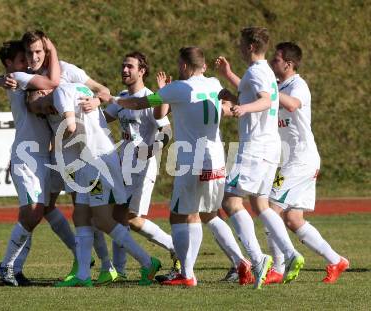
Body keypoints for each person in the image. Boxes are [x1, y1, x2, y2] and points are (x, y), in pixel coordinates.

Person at [97, 46, 253, 287]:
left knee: (178, 216)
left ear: (183, 65)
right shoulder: (212, 83)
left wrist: (113, 99)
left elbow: (141, 104)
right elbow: (233, 98)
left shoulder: (178, 88)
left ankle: (187, 273)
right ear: (203, 65)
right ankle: (240, 260)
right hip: (217, 160)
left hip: (191, 161)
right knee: (206, 215)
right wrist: (235, 98)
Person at [40, 82, 162, 287]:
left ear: (44, 91)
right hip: (92, 160)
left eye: (37, 100)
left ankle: (148, 262)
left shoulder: (60, 92)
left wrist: (55, 146)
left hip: (95, 161)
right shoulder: (79, 88)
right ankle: (83, 275)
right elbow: (101, 96)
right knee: (81, 214)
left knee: (103, 219)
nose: (42, 107)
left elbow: (70, 128)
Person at [20, 30, 115, 285]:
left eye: (39, 51)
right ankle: (82, 257)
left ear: (48, 50)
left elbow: (103, 91)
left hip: (80, 152)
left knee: (84, 210)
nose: (34, 56)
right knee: (49, 206)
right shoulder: (28, 79)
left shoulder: (66, 70)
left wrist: (97, 100)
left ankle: (104, 265)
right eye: (30, 52)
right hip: (56, 153)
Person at [215, 27, 304, 289]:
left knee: (230, 201)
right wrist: (232, 91)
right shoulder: (262, 71)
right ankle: (290, 254)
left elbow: (265, 101)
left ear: (251, 46)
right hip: (269, 146)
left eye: (242, 44)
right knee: (260, 205)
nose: (240, 48)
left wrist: (242, 108)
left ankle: (258, 258)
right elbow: (254, 95)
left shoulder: (256, 72)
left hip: (255, 147)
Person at [0, 39, 72, 286]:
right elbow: (53, 82)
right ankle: (6, 265)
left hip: (44, 155)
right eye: (23, 58)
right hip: (27, 156)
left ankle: (16, 267)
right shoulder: (18, 77)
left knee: (38, 211)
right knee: (32, 214)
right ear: (10, 64)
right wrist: (52, 49)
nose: (29, 62)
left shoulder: (20, 77)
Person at [266, 41, 349, 284]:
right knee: (293, 219)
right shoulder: (279, 86)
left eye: (276, 59)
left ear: (288, 64)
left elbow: (292, 104)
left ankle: (278, 268)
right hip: (289, 161)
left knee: (271, 207)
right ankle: (336, 260)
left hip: (300, 160)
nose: (273, 62)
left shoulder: (297, 85)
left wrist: (269, 89)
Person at [101, 51, 178, 281]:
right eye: (123, 66)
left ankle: (175, 247)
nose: (124, 70)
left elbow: (166, 131)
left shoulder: (151, 98)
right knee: (119, 217)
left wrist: (151, 150)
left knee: (129, 217)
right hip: (123, 164)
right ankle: (120, 270)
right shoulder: (123, 97)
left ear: (142, 71)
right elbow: (103, 118)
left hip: (142, 166)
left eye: (130, 67)